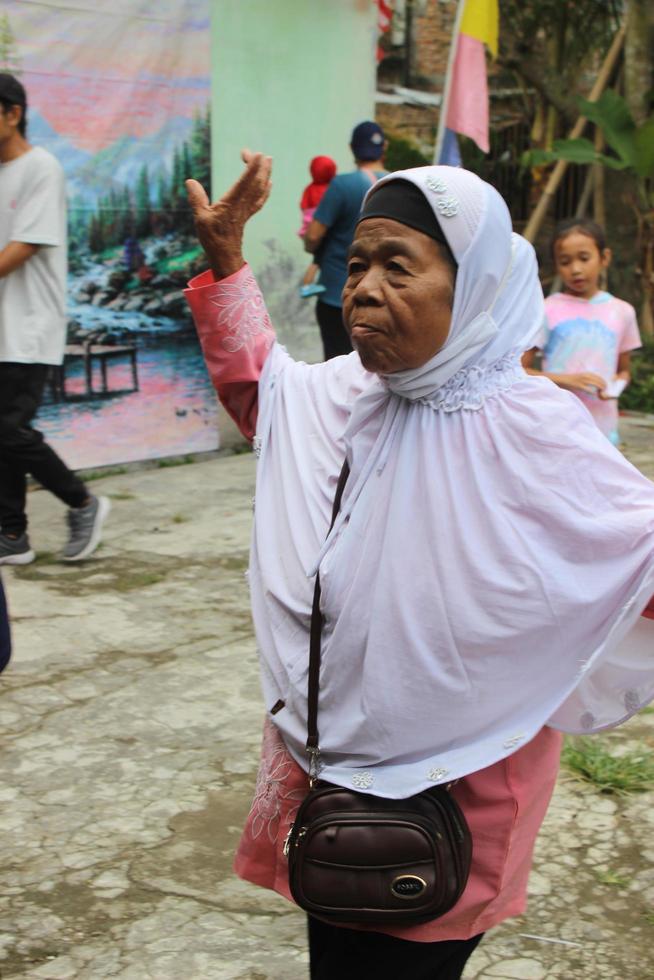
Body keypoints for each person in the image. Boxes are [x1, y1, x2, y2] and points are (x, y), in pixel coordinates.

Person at [184, 153, 654, 980]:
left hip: (461, 779)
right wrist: (227, 263)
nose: (363, 287)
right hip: (330, 769)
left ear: (472, 285)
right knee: (337, 942)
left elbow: (631, 558)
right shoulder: (343, 393)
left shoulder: (538, 426)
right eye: (358, 265)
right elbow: (268, 395)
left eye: (399, 265)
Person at [0, 73, 109, 565]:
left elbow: (23, 246)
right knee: (1, 434)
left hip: (28, 325)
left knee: (10, 430)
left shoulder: (41, 168)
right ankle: (12, 535)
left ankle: (82, 502)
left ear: (12, 113)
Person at [522, 218, 642, 445]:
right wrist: (568, 380)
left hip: (603, 428)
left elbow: (623, 371)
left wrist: (614, 386)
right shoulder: (546, 309)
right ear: (556, 265)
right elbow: (521, 370)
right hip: (556, 425)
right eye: (565, 262)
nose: (576, 269)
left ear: (604, 258)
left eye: (584, 258)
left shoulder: (622, 312)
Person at [303, 121, 387, 359]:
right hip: (380, 295)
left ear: (352, 149)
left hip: (337, 294)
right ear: (385, 147)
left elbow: (313, 237)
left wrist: (310, 245)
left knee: (336, 367)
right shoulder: (397, 184)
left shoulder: (341, 185)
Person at [297, 155, 337, 299]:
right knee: (317, 261)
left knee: (317, 260)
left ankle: (309, 285)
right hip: (322, 230)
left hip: (309, 227)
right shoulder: (332, 189)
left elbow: (303, 205)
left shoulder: (309, 189)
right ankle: (306, 286)